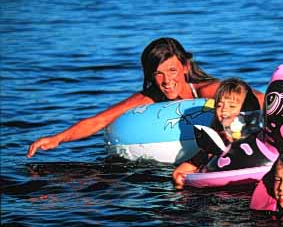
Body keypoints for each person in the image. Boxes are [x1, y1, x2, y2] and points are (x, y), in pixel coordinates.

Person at [26, 37, 265, 158]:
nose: (166, 81)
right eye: (158, 73)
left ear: (185, 66)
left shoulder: (207, 90)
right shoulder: (148, 99)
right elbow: (100, 121)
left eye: (172, 70)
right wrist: (57, 139)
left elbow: (258, 99)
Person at [172, 78, 261, 189]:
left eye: (232, 106)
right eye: (219, 105)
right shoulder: (216, 142)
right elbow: (179, 172)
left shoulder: (259, 138)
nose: (223, 110)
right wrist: (189, 175)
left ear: (248, 111)